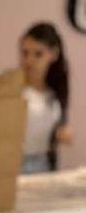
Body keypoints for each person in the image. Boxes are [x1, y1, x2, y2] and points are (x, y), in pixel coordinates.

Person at [19, 22, 73, 173]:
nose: (29, 61)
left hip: (44, 163)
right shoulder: (16, 90)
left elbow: (54, 130)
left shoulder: (55, 94)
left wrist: (62, 134)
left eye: (38, 54)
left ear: (53, 54)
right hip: (16, 161)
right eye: (25, 53)